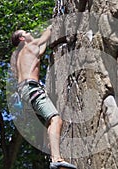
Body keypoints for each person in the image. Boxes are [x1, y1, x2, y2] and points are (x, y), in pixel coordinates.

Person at [10, 26, 76, 169]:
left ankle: (51, 150)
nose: (29, 33)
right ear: (22, 38)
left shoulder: (24, 54)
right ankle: (56, 159)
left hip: (26, 92)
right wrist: (52, 26)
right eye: (26, 33)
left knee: (49, 120)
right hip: (32, 89)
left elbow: (41, 50)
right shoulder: (28, 47)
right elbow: (44, 37)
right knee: (55, 119)